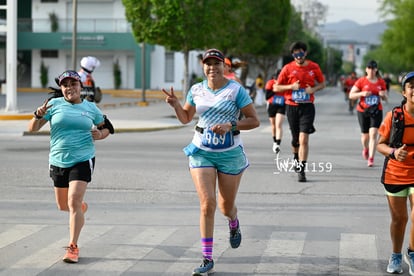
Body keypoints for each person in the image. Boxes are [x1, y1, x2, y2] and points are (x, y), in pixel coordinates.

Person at [162, 48, 260, 275]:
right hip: (201, 150)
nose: (212, 68)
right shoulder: (196, 89)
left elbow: (254, 120)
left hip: (230, 152)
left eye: (217, 63)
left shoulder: (236, 90)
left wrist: (231, 125)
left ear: (224, 66)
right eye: (208, 64)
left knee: (225, 207)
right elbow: (186, 118)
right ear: (203, 66)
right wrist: (176, 105)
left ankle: (233, 221)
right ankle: (207, 258)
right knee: (207, 204)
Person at [28, 70, 112, 264]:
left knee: (73, 201)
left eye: (73, 84)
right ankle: (80, 208)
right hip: (58, 159)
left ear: (81, 86)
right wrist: (37, 115)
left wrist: (101, 134)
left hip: (83, 158)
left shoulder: (91, 108)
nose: (69, 88)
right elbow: (32, 128)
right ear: (62, 88)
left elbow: (107, 127)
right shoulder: (53, 105)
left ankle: (73, 247)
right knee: (63, 205)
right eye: (65, 85)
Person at [376, 71, 414, 275]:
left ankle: (413, 253)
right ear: (404, 91)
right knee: (400, 219)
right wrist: (393, 151)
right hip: (395, 174)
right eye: (411, 86)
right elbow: (379, 145)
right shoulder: (395, 116)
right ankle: (396, 255)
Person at [273, 41, 325, 182]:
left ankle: (302, 169)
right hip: (292, 106)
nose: (299, 56)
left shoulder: (314, 67)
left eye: (301, 53)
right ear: (293, 55)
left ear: (305, 53)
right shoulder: (287, 68)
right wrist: (291, 86)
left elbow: (322, 83)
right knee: (296, 139)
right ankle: (296, 157)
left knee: (304, 139)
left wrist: (313, 89)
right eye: (296, 54)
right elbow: (276, 88)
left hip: (307, 106)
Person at [349, 60, 387, 167]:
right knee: (365, 136)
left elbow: (386, 97)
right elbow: (351, 95)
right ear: (366, 69)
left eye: (373, 68)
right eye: (369, 68)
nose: (371, 70)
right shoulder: (361, 81)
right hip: (363, 111)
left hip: (376, 110)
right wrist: (362, 93)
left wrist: (383, 95)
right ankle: (366, 148)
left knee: (373, 134)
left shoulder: (381, 82)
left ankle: (371, 158)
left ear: (376, 69)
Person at [265, 69, 285, 154]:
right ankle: (274, 141)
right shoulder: (270, 83)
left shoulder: (285, 84)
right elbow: (267, 96)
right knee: (273, 125)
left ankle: (278, 143)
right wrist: (275, 89)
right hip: (272, 104)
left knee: (278, 124)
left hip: (282, 104)